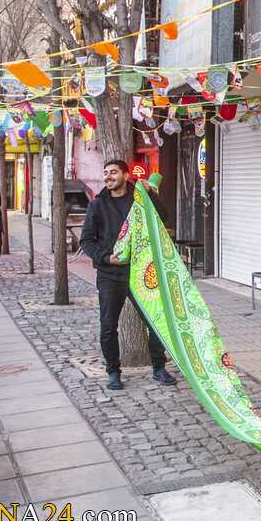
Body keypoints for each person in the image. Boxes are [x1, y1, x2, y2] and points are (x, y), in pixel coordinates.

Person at [79, 159, 176, 390]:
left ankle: (159, 368)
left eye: (113, 172)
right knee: (108, 326)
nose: (108, 177)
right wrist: (106, 257)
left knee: (155, 322)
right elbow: (86, 240)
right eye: (105, 173)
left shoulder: (140, 197)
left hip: (140, 272)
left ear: (126, 175)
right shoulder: (97, 205)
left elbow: (163, 217)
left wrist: (151, 194)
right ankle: (113, 372)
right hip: (110, 274)